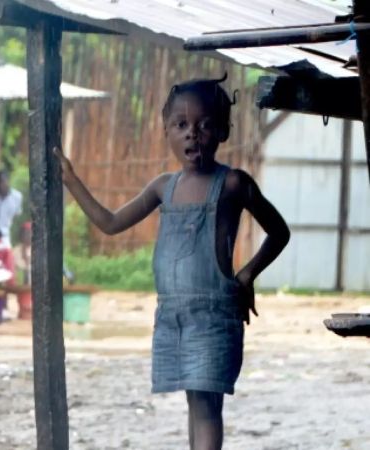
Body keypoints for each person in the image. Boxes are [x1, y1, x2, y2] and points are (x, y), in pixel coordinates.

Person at [54, 75, 290, 450]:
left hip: (214, 316)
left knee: (205, 407)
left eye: (205, 124)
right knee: (197, 404)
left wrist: (246, 275)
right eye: (181, 125)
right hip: (173, 318)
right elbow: (110, 223)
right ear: (166, 131)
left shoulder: (233, 184)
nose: (192, 134)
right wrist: (71, 181)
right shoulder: (163, 187)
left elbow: (279, 232)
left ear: (223, 131)